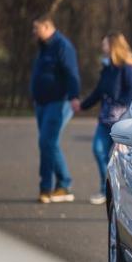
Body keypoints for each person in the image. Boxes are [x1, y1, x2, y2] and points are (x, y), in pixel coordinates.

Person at [80, 32, 132, 205]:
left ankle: (117, 190)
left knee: (119, 159)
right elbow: (99, 91)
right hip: (104, 120)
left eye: (105, 44)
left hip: (120, 124)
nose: (102, 47)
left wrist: (123, 111)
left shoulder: (127, 69)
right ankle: (105, 187)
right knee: (98, 150)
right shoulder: (107, 68)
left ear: (114, 47)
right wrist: (83, 106)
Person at [30, 14, 81, 204]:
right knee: (50, 143)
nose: (34, 32)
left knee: (46, 142)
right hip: (42, 103)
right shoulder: (44, 47)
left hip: (58, 103)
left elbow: (71, 72)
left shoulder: (62, 46)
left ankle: (45, 188)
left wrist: (74, 96)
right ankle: (64, 183)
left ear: (47, 26)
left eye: (36, 28)